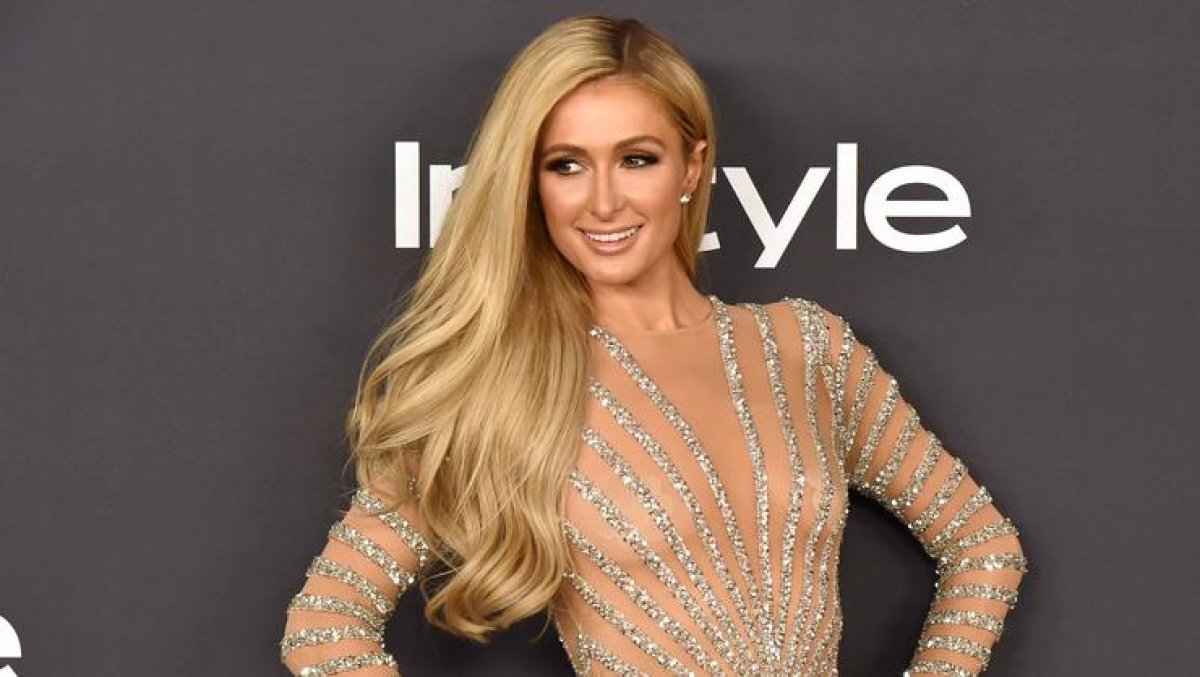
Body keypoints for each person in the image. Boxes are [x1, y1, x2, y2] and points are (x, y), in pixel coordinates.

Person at [278, 14, 1028, 677]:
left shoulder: (806, 347)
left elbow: (984, 545)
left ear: (692, 166)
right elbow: (325, 626)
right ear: (532, 185)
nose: (603, 200)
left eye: (637, 158)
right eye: (566, 164)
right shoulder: (500, 381)